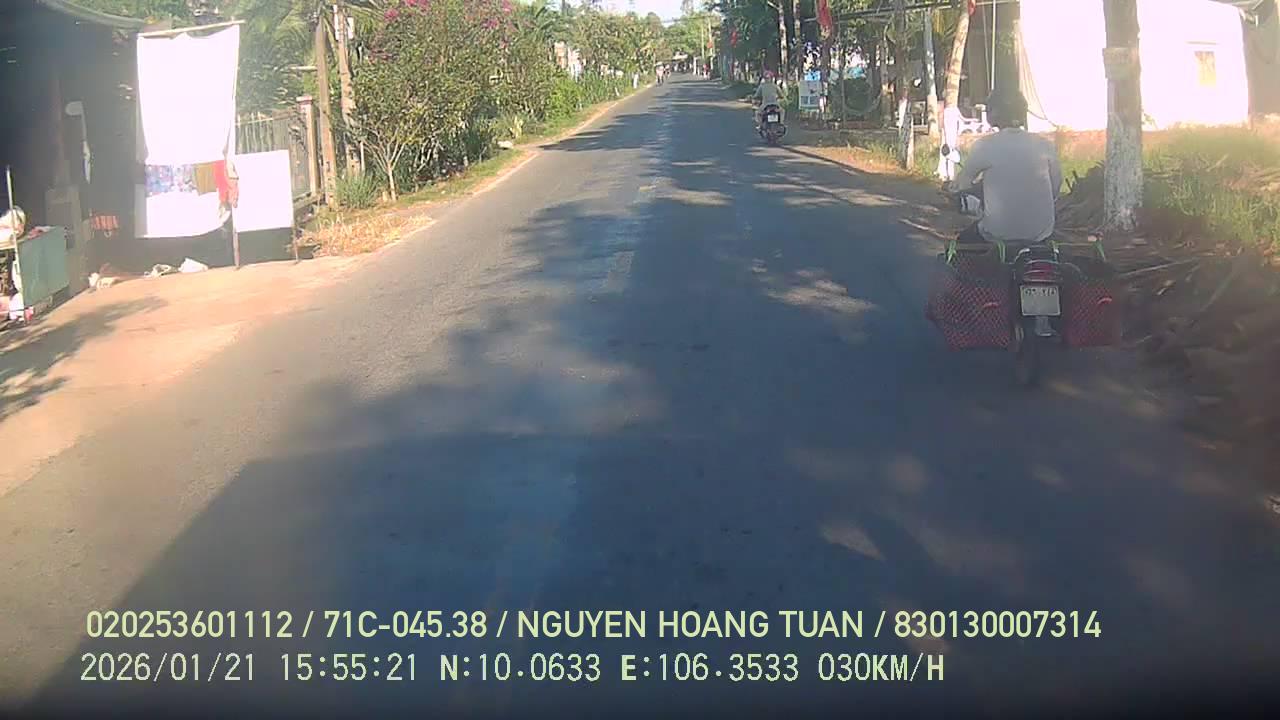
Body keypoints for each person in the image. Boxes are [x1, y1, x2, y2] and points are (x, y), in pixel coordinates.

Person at [954, 88, 1062, 246]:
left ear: (995, 112)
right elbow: (1055, 188)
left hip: (996, 234)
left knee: (961, 245)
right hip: (1041, 234)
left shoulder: (984, 145)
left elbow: (963, 185)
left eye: (988, 109)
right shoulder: (1045, 145)